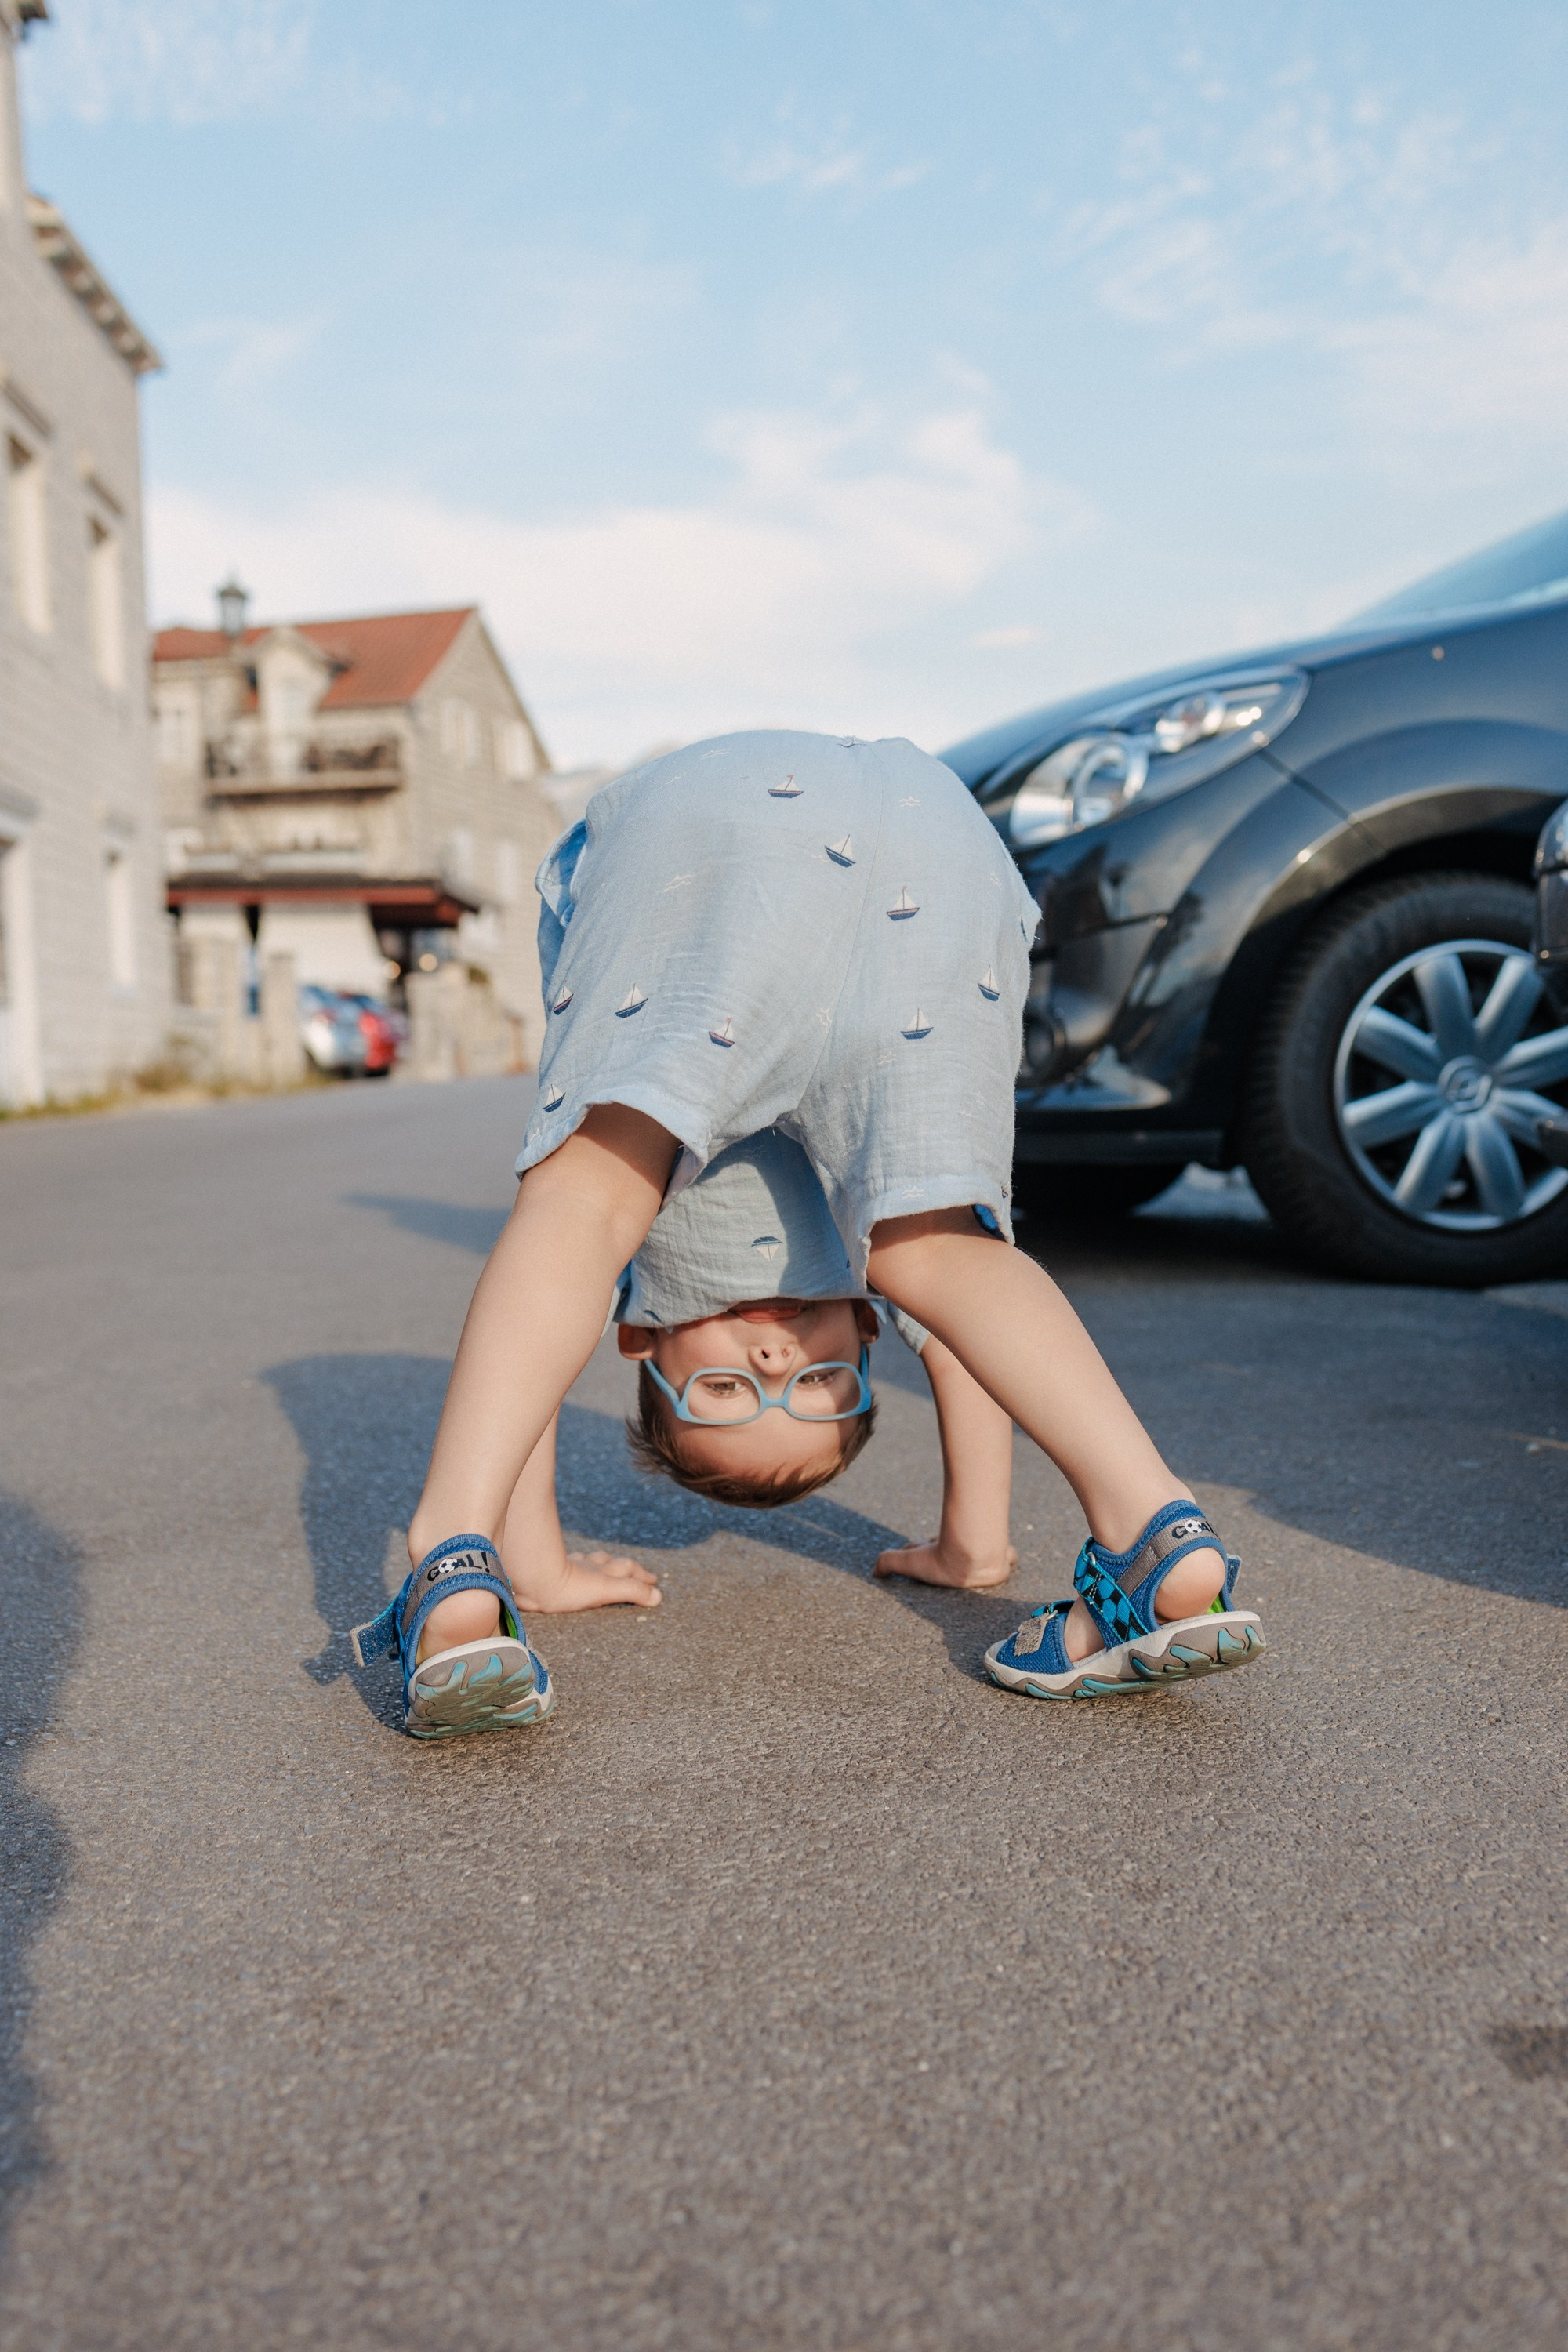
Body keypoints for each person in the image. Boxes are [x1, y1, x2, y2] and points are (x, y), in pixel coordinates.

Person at [352, 730, 1264, 1736]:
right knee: (947, 1255)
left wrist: (530, 1555)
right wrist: (974, 1542)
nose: (781, 1354)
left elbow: (538, 1330)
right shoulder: (876, 1271)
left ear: (641, 1339)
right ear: (867, 1337)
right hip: (932, 839)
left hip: (729, 835)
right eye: (819, 1385)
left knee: (583, 1205)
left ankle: (454, 1553)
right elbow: (960, 1343)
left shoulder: (637, 1277)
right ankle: (1150, 1524)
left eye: (728, 1387)